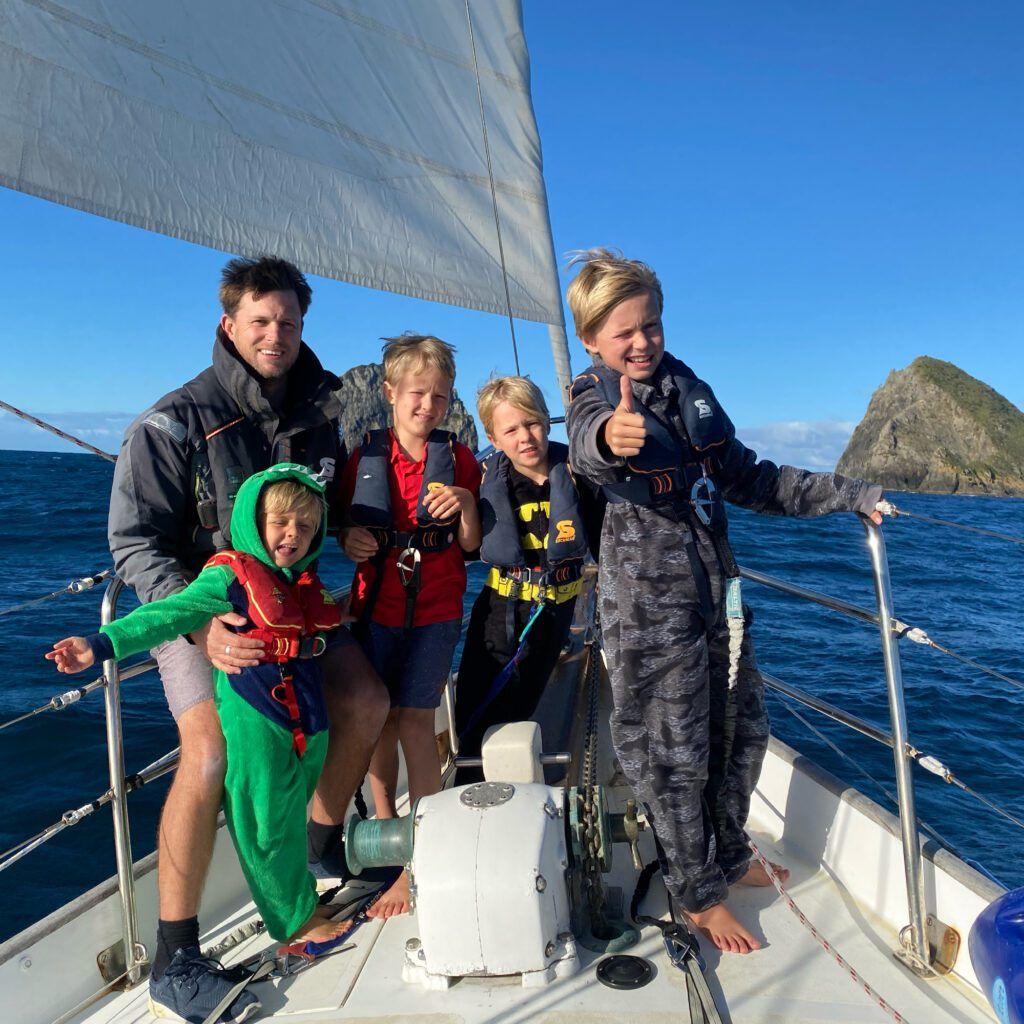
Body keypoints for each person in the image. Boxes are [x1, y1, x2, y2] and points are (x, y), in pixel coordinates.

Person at [564, 249, 884, 955]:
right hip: (649, 615)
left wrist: (850, 494)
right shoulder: (592, 397)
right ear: (591, 340)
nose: (643, 342)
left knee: (742, 734)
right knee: (674, 756)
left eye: (651, 325)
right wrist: (612, 439)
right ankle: (698, 895)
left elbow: (753, 478)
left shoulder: (688, 390)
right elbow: (590, 446)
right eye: (624, 333)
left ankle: (729, 856)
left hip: (720, 602)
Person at [108, 256, 389, 1022]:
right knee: (211, 752)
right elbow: (134, 544)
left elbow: (323, 507)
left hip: (292, 613)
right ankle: (175, 955)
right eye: (260, 321)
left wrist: (360, 531)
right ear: (228, 325)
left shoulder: (322, 417)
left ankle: (318, 848)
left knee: (366, 697)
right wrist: (201, 623)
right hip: (203, 608)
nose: (276, 334)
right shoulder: (174, 423)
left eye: (289, 322)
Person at [50, 466, 353, 955]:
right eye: (279, 523)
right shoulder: (228, 575)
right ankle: (292, 925)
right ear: (254, 522)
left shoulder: (301, 582)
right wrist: (99, 644)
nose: (292, 534)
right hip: (258, 717)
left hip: (308, 717)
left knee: (289, 812)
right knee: (264, 822)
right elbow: (166, 615)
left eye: (304, 525)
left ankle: (299, 900)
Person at [340, 334, 482, 917]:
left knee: (417, 724)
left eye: (441, 397)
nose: (429, 406)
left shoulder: (461, 460)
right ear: (391, 393)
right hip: (376, 607)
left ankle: (422, 852)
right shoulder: (364, 459)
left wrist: (466, 509)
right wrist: (349, 541)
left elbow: (471, 544)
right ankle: (386, 831)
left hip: (437, 611)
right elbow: (346, 532)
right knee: (377, 725)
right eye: (418, 394)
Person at [454, 376, 597, 783]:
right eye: (511, 429)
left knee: (523, 704)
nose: (525, 437)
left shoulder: (578, 474)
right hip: (499, 611)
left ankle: (511, 785)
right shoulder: (486, 481)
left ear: (547, 423)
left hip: (554, 613)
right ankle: (469, 787)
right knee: (476, 709)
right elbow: (468, 546)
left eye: (532, 423)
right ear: (493, 437)